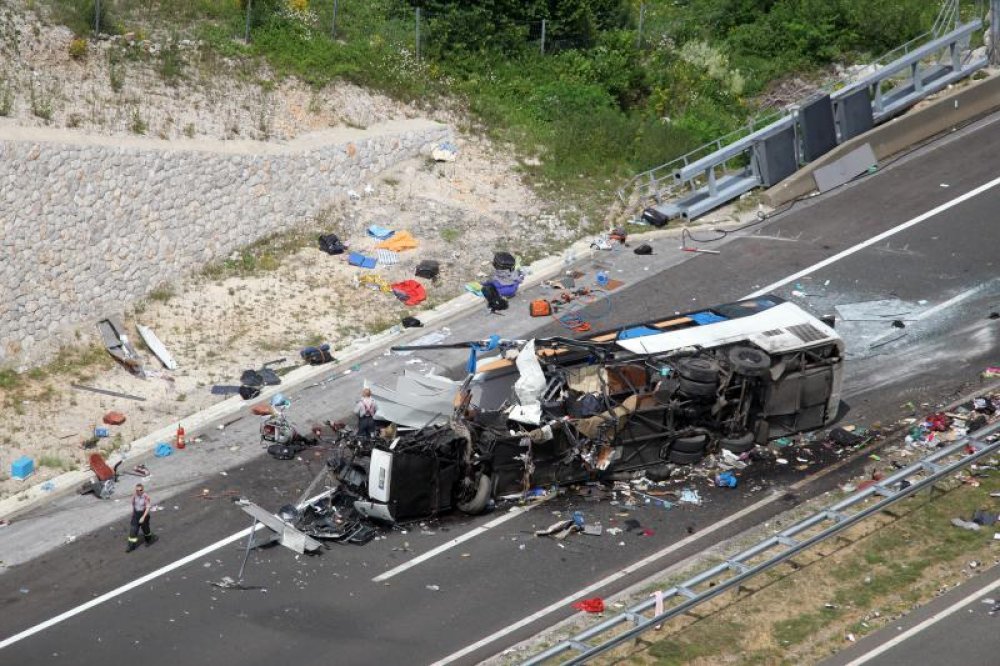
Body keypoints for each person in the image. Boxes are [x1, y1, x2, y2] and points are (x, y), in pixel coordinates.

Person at [126, 483, 157, 552]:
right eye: (137, 490)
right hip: (136, 515)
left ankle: (148, 539)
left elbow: (148, 508)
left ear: (143, 490)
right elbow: (134, 505)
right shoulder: (134, 496)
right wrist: (133, 514)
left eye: (140, 490)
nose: (139, 492)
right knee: (133, 530)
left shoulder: (146, 497)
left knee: (146, 529)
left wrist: (143, 517)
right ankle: (131, 546)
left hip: (143, 514)